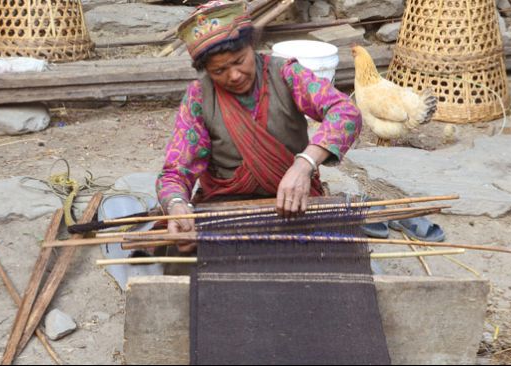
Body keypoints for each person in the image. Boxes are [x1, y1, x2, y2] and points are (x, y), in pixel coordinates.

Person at [155, 0, 362, 253]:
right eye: (219, 70)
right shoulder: (199, 97)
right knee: (185, 266)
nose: (233, 75)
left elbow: (345, 112)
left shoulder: (286, 74)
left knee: (330, 262)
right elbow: (176, 171)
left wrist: (304, 164)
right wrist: (177, 206)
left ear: (251, 47)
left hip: (293, 203)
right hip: (224, 210)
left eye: (239, 60)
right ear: (206, 71)